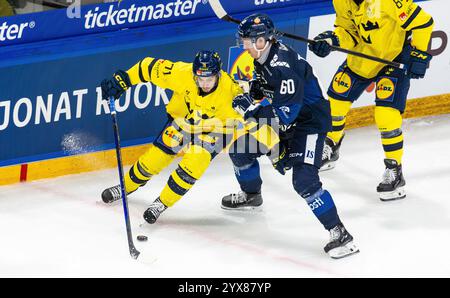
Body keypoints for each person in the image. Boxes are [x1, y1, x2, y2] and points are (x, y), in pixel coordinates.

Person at [221, 13, 359, 259]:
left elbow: (283, 114)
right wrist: (257, 88)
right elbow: (273, 96)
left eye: (249, 41)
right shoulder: (264, 56)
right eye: (244, 40)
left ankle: (340, 233)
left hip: (308, 125)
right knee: (240, 150)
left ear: (264, 41)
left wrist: (249, 108)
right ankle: (252, 195)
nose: (245, 46)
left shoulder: (282, 67)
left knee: (304, 181)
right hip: (289, 119)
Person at [100, 50, 278, 224]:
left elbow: (256, 120)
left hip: (215, 131)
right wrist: (124, 80)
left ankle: (161, 203)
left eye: (210, 78)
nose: (205, 83)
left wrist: (277, 149)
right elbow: (147, 67)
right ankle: (125, 187)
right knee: (153, 160)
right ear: (195, 75)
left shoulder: (232, 92)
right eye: (201, 78)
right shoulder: (182, 73)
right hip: (183, 122)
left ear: (218, 75)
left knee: (193, 164)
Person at [308, 0, 434, 201]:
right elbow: (347, 31)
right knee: (334, 104)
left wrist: (419, 54)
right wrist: (331, 40)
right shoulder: (341, 1)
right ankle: (332, 144)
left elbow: (423, 22)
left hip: (393, 60)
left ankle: (394, 170)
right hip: (363, 58)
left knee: (386, 116)